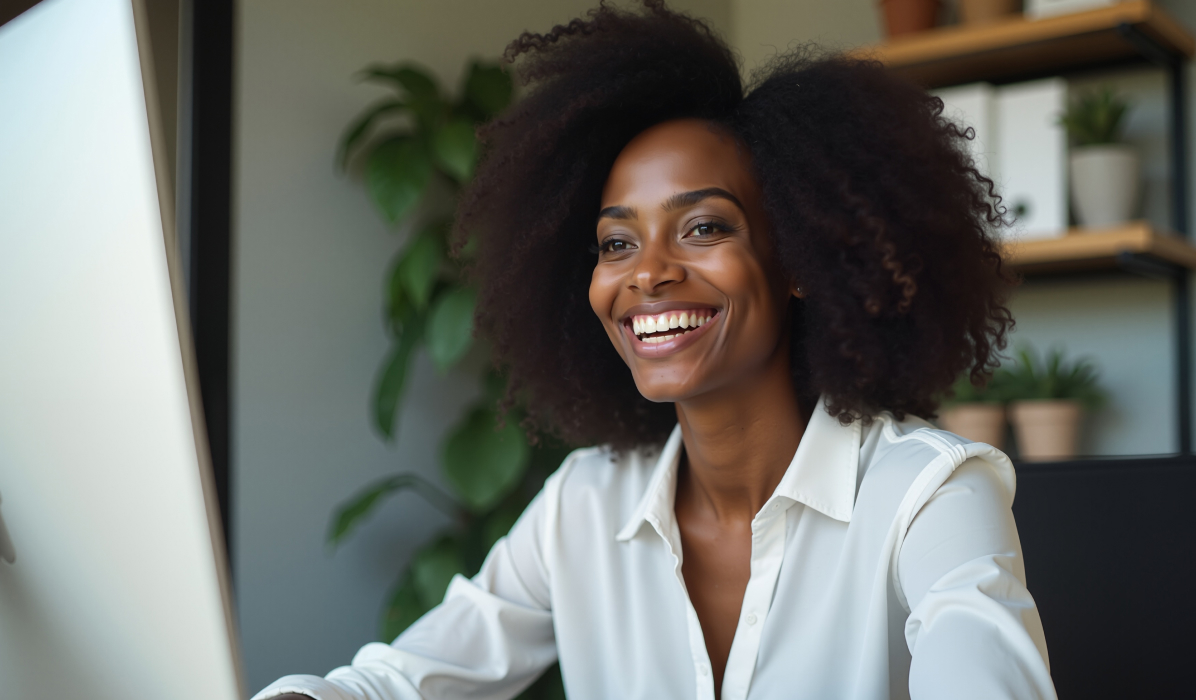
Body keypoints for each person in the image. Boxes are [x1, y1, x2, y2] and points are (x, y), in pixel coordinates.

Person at [257, 2, 1055, 698]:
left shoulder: (927, 495)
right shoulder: (584, 505)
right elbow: (397, 683)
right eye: (615, 242)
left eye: (703, 227)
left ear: (801, 261)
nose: (647, 275)